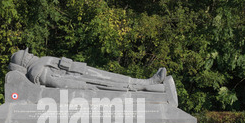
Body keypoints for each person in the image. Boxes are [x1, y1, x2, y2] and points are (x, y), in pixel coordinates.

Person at [9, 48, 175, 93]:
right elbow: (59, 82)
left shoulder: (38, 65)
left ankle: (148, 84)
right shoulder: (36, 71)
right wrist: (84, 86)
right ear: (25, 60)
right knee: (113, 82)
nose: (30, 54)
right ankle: (147, 84)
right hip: (80, 78)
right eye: (27, 54)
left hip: (80, 71)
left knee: (113, 78)